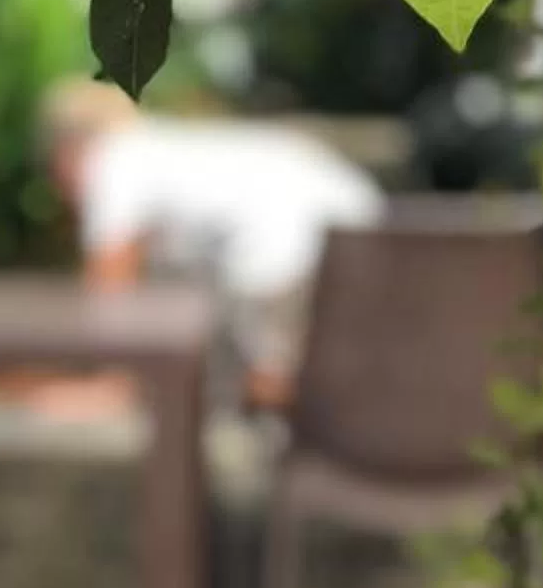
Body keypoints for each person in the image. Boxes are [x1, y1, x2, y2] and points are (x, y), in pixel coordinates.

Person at [38, 80, 383, 406]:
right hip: (357, 216)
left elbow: (110, 289)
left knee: (269, 377)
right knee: (295, 372)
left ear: (66, 149)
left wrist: (105, 381)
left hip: (287, 239)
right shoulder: (163, 146)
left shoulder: (115, 159)